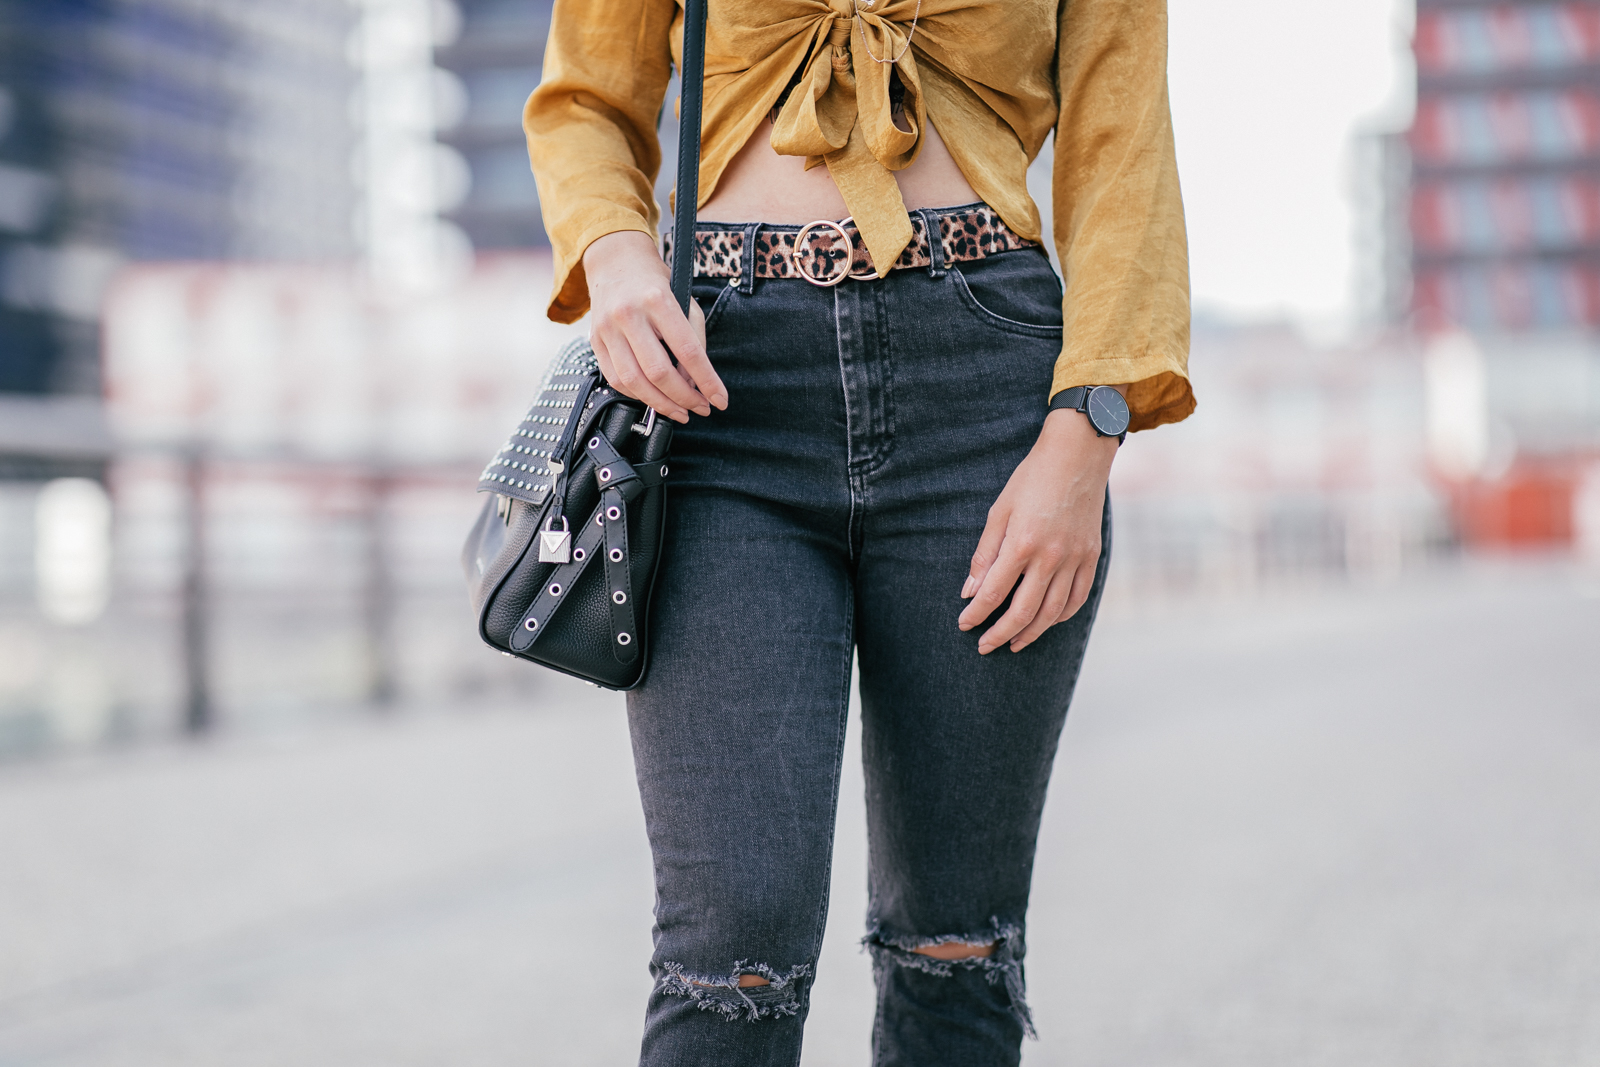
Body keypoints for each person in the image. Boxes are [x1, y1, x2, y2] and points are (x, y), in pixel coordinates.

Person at [525, 0, 1192, 1062]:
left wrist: (1088, 431)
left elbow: (1125, 144)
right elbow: (585, 99)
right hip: (720, 388)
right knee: (727, 955)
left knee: (956, 945)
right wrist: (613, 261)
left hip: (986, 400)